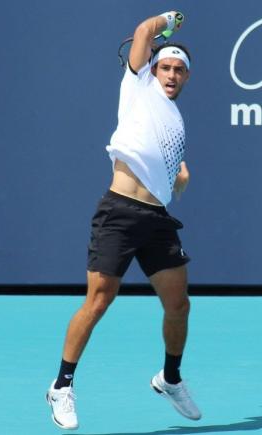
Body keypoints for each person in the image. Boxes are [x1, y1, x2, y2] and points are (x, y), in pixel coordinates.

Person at [45, 11, 200, 430]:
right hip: (119, 212)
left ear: (186, 78)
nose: (170, 74)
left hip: (157, 219)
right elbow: (145, 31)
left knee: (179, 304)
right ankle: (62, 385)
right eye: (165, 66)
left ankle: (170, 378)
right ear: (152, 67)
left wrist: (178, 179)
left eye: (179, 70)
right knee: (99, 300)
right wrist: (169, 20)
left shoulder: (176, 121)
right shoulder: (138, 85)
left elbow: (170, 183)